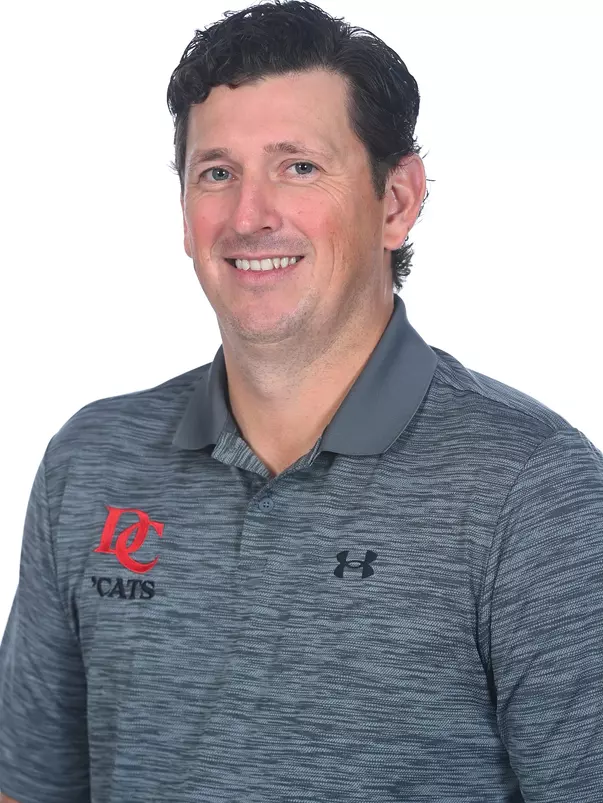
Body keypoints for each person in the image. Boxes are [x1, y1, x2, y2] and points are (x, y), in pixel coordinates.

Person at [1, 1, 602, 800]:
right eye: (217, 172)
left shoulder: (533, 490)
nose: (249, 217)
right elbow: (28, 783)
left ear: (396, 201)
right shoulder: (91, 458)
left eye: (298, 167)